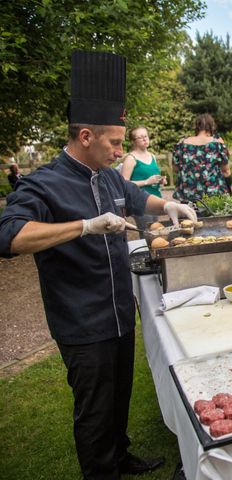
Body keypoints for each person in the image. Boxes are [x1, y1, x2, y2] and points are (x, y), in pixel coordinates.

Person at [0, 51, 197, 480]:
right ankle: (101, 472)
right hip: (81, 320)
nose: (121, 151)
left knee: (119, 394)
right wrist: (84, 226)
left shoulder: (108, 174)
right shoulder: (43, 183)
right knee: (93, 409)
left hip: (119, 311)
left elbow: (138, 198)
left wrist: (171, 204)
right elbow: (9, 236)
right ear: (86, 135)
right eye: (115, 143)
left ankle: (120, 454)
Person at [173, 113, 231, 203]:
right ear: (212, 126)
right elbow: (226, 171)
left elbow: (176, 169)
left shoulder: (181, 144)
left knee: (188, 217)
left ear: (196, 126)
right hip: (212, 196)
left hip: (188, 195)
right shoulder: (217, 144)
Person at [120, 125, 166, 229]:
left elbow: (153, 177)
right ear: (133, 141)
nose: (145, 139)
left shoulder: (152, 156)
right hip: (141, 202)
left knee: (156, 230)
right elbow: (123, 184)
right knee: (147, 233)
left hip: (156, 199)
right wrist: (146, 182)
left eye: (146, 136)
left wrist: (160, 180)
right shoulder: (131, 158)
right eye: (140, 137)